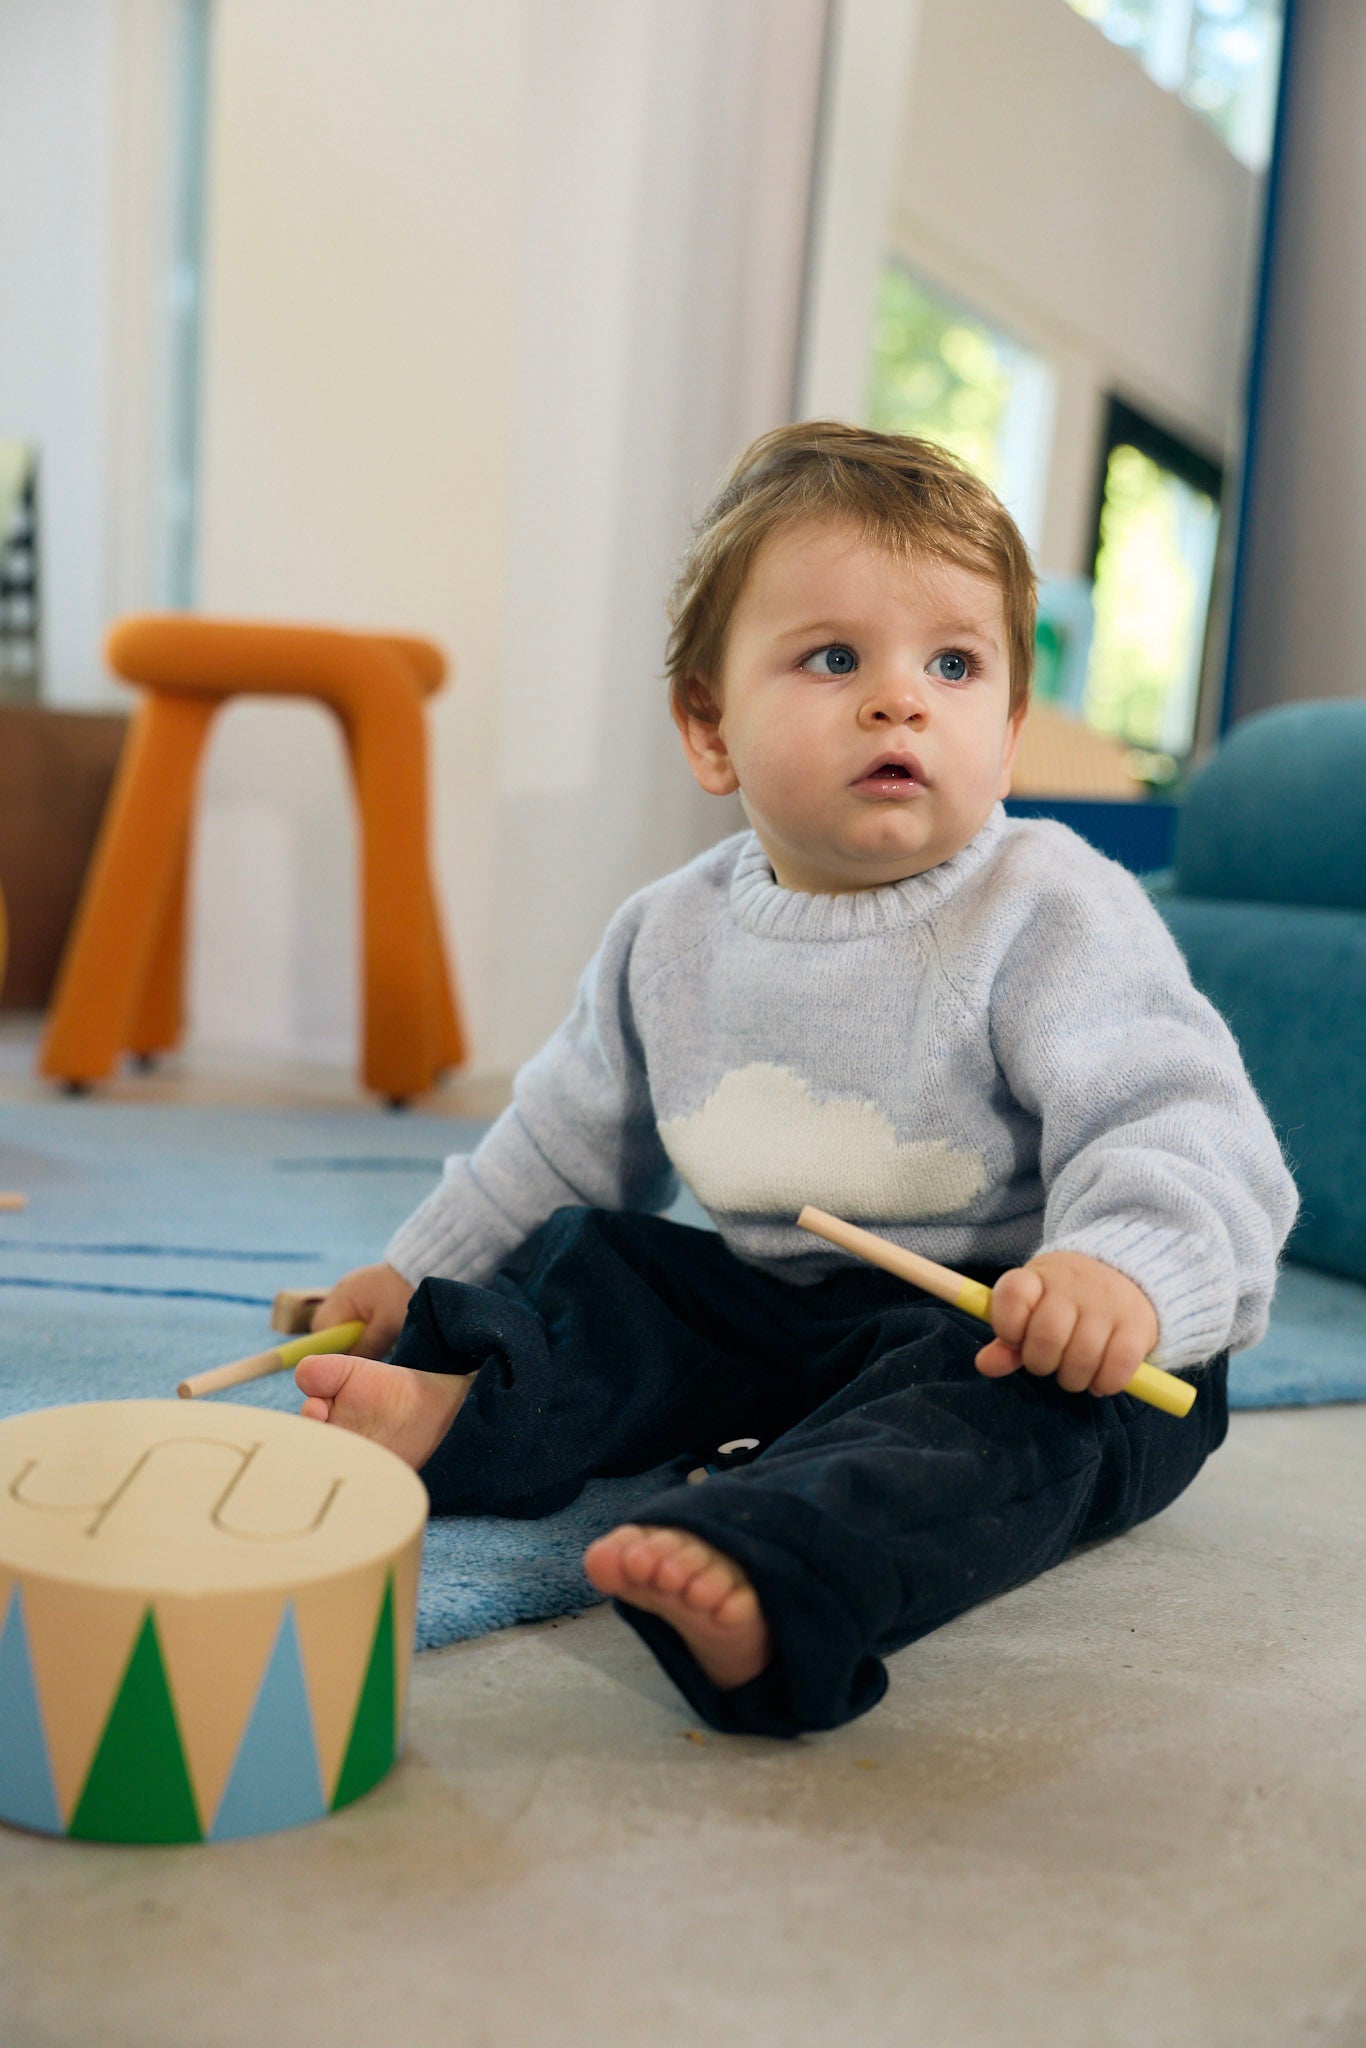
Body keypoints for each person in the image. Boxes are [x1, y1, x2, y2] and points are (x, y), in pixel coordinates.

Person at [296, 422, 1297, 1738]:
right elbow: (553, 1147)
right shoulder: (669, 933)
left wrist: (1123, 1274)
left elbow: (1184, 1125)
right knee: (605, 1263)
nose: (900, 700)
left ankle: (780, 1563)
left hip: (1037, 1324)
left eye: (952, 664)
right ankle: (461, 1413)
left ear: (1003, 732)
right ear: (708, 728)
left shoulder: (1050, 907)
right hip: (790, 1310)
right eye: (834, 658)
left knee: (1005, 1419)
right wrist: (419, 1274)